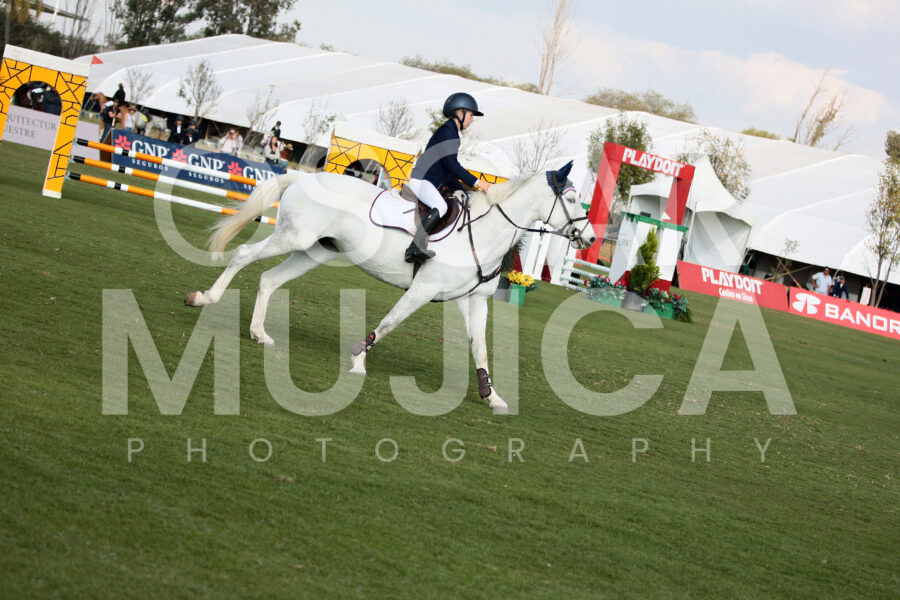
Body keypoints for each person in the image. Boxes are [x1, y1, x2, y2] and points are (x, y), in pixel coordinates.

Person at [404, 92, 493, 264]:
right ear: (460, 113)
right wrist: (478, 182)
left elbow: (448, 171)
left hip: (429, 181)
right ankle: (414, 247)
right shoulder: (447, 131)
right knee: (441, 206)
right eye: (471, 115)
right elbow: (452, 164)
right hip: (422, 180)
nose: (472, 120)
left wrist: (464, 191)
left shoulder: (452, 133)